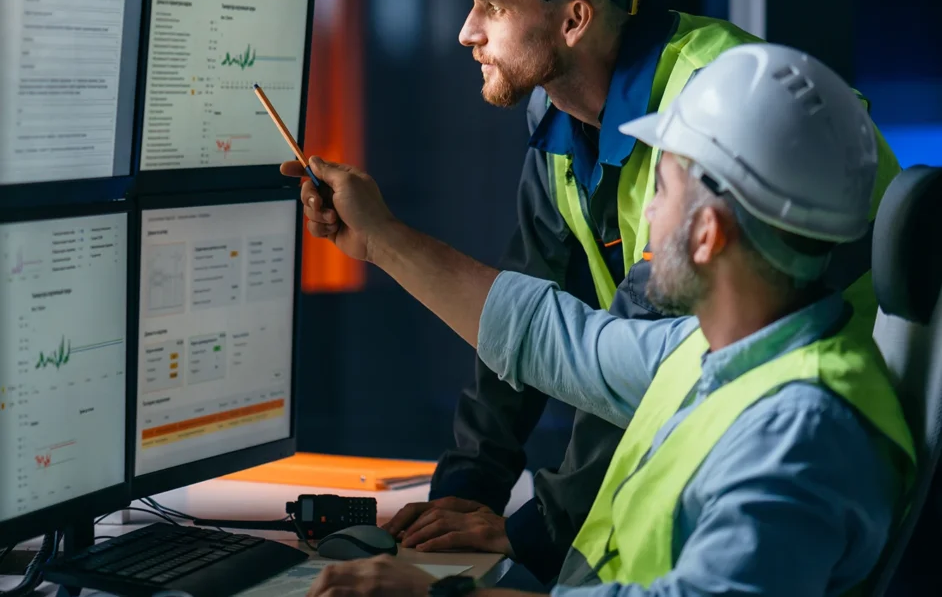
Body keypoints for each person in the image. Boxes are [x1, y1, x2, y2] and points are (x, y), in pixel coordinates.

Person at [373, 0, 900, 584]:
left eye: (490, 4)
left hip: (777, 407)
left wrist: (529, 533)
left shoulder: (713, 120)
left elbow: (616, 363)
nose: (466, 32)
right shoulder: (561, 116)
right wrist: (467, 492)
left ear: (575, 18)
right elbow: (540, 319)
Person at [286, 43, 915, 597]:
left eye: (661, 190)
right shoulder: (721, 352)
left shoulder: (801, 435)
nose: (646, 215)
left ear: (706, 235)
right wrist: (381, 239)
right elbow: (558, 341)